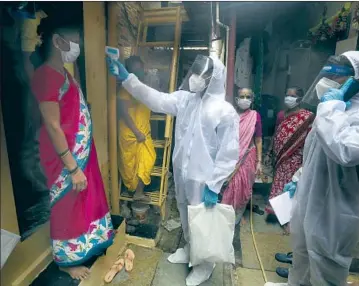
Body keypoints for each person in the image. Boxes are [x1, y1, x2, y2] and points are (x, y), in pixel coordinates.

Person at [108, 55, 239, 286]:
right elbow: (155, 99)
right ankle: (190, 249)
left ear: (213, 78)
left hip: (204, 179)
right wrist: (129, 80)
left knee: (203, 222)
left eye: (201, 75)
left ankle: (204, 266)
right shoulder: (185, 99)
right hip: (182, 171)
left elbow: (228, 153)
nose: (195, 78)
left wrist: (215, 184)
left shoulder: (224, 111)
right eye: (194, 72)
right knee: (185, 213)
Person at [265, 51, 359, 286]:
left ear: (356, 82)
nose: (325, 82)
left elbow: (344, 150)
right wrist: (298, 178)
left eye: (336, 78)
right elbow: (313, 155)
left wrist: (331, 107)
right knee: (301, 259)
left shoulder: (344, 112)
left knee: (324, 270)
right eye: (325, 75)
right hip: (310, 198)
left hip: (334, 213)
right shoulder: (332, 110)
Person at [31, 16, 114, 280]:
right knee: (66, 206)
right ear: (58, 41)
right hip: (64, 159)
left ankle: (84, 245)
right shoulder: (45, 75)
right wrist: (72, 167)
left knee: (81, 203)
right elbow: (53, 126)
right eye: (75, 40)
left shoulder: (63, 72)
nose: (79, 45)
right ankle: (65, 262)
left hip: (79, 155)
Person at [265, 87, 314, 222]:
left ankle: (288, 218)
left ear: (299, 99)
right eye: (286, 95)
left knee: (291, 186)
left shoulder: (307, 117)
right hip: (279, 157)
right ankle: (276, 213)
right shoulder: (281, 114)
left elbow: (310, 139)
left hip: (296, 158)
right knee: (278, 183)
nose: (288, 98)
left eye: (292, 96)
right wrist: (269, 152)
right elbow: (276, 134)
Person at [221, 88, 263, 225]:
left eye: (248, 96)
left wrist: (259, 161)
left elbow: (258, 140)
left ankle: (237, 215)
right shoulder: (229, 115)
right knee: (228, 186)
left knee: (243, 187)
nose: (245, 99)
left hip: (247, 158)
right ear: (236, 99)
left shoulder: (255, 116)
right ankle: (225, 215)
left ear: (252, 99)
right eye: (242, 96)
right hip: (230, 156)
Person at [117, 56, 156, 201]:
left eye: (140, 67)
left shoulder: (141, 87)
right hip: (132, 133)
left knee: (147, 160)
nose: (139, 70)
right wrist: (136, 132)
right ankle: (136, 192)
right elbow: (123, 112)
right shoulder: (125, 89)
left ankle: (137, 191)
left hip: (142, 132)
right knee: (131, 164)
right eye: (135, 68)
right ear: (129, 71)